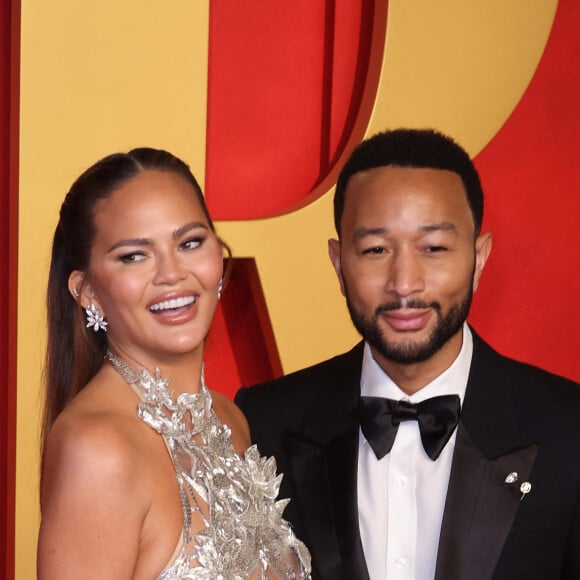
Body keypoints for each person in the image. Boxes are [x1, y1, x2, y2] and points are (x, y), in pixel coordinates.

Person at [235, 128, 580, 580]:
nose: (404, 283)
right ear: (340, 265)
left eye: (433, 248)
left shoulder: (568, 431)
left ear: (478, 259)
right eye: (375, 249)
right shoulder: (262, 425)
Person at [37, 148, 311, 579]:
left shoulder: (229, 417)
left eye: (189, 242)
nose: (172, 274)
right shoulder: (97, 448)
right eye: (134, 255)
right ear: (87, 289)